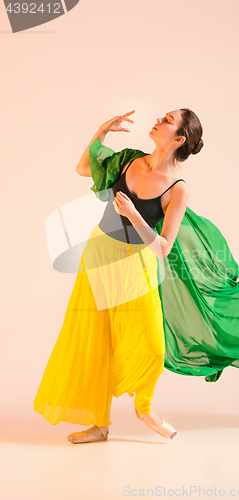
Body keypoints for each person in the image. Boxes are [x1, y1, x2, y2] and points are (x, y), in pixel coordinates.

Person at [33, 108, 198, 444]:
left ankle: (145, 408)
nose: (158, 120)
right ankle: (100, 424)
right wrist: (102, 131)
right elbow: (83, 168)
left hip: (137, 263)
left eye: (167, 121)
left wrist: (136, 215)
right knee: (97, 338)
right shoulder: (128, 160)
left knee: (151, 343)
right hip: (99, 254)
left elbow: (164, 247)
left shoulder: (177, 189)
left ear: (179, 138)